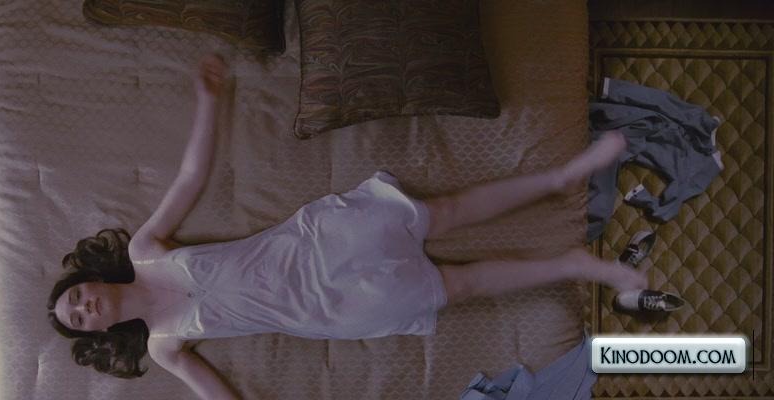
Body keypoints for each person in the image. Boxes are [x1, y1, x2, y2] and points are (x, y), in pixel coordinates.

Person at [47, 55, 646, 400]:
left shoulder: (147, 251)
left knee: (448, 212)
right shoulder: (163, 346)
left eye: (75, 297)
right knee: (462, 284)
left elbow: (191, 178)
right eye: (78, 319)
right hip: (334, 307)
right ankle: (574, 264)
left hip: (317, 244)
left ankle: (562, 176)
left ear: (89, 281)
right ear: (97, 331)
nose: (83, 307)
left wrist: (210, 99)